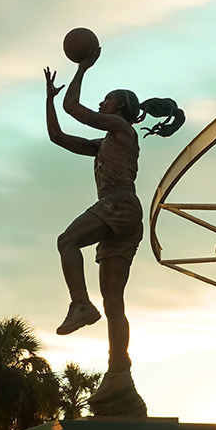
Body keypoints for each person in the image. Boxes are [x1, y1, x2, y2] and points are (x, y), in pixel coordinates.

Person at [44, 47, 183, 411]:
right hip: (125, 217)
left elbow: (73, 109)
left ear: (119, 109)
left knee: (67, 240)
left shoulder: (121, 129)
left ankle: (79, 304)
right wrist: (48, 100)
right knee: (115, 300)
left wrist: (82, 68)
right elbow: (59, 137)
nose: (101, 104)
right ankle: (119, 369)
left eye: (106, 101)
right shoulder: (104, 143)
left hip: (118, 204)